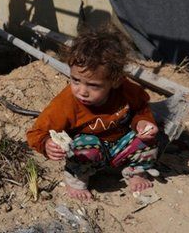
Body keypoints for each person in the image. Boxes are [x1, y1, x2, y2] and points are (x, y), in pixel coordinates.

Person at [26, 27, 159, 201]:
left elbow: (141, 108)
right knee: (86, 146)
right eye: (75, 80)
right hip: (89, 152)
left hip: (119, 146)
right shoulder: (66, 103)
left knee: (150, 137)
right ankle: (75, 180)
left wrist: (142, 123)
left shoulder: (127, 91)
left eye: (93, 85)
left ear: (115, 81)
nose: (82, 91)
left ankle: (135, 171)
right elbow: (36, 133)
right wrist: (46, 144)